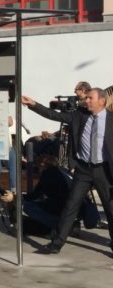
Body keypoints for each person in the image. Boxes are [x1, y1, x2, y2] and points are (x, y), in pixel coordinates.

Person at [22, 88, 113, 254]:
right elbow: (53, 115)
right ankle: (56, 243)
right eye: (86, 98)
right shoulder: (79, 116)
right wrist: (34, 105)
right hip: (83, 169)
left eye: (90, 98)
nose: (86, 100)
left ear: (102, 101)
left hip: (103, 170)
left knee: (110, 207)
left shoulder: (111, 120)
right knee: (71, 205)